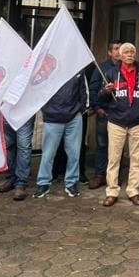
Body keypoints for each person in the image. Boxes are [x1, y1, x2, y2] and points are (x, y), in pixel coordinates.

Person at [99, 42, 139, 207]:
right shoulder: (110, 73)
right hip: (116, 122)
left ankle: (133, 191)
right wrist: (105, 92)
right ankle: (112, 192)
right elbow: (101, 98)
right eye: (126, 52)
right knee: (114, 159)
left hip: (137, 122)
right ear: (120, 56)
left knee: (137, 158)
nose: (129, 54)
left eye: (132, 52)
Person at [34, 66, 91, 199]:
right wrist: (47, 111)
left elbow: (84, 92)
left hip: (74, 119)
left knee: (74, 153)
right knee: (48, 154)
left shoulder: (78, 69)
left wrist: (79, 111)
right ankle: (43, 183)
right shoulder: (48, 68)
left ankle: (71, 183)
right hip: (53, 118)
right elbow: (40, 91)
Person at [86, 40, 122, 190]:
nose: (119, 51)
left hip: (120, 114)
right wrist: (97, 107)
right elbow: (93, 90)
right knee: (102, 145)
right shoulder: (102, 68)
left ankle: (113, 177)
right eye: (115, 49)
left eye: (121, 48)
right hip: (105, 112)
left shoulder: (126, 67)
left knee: (118, 147)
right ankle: (99, 175)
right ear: (109, 52)